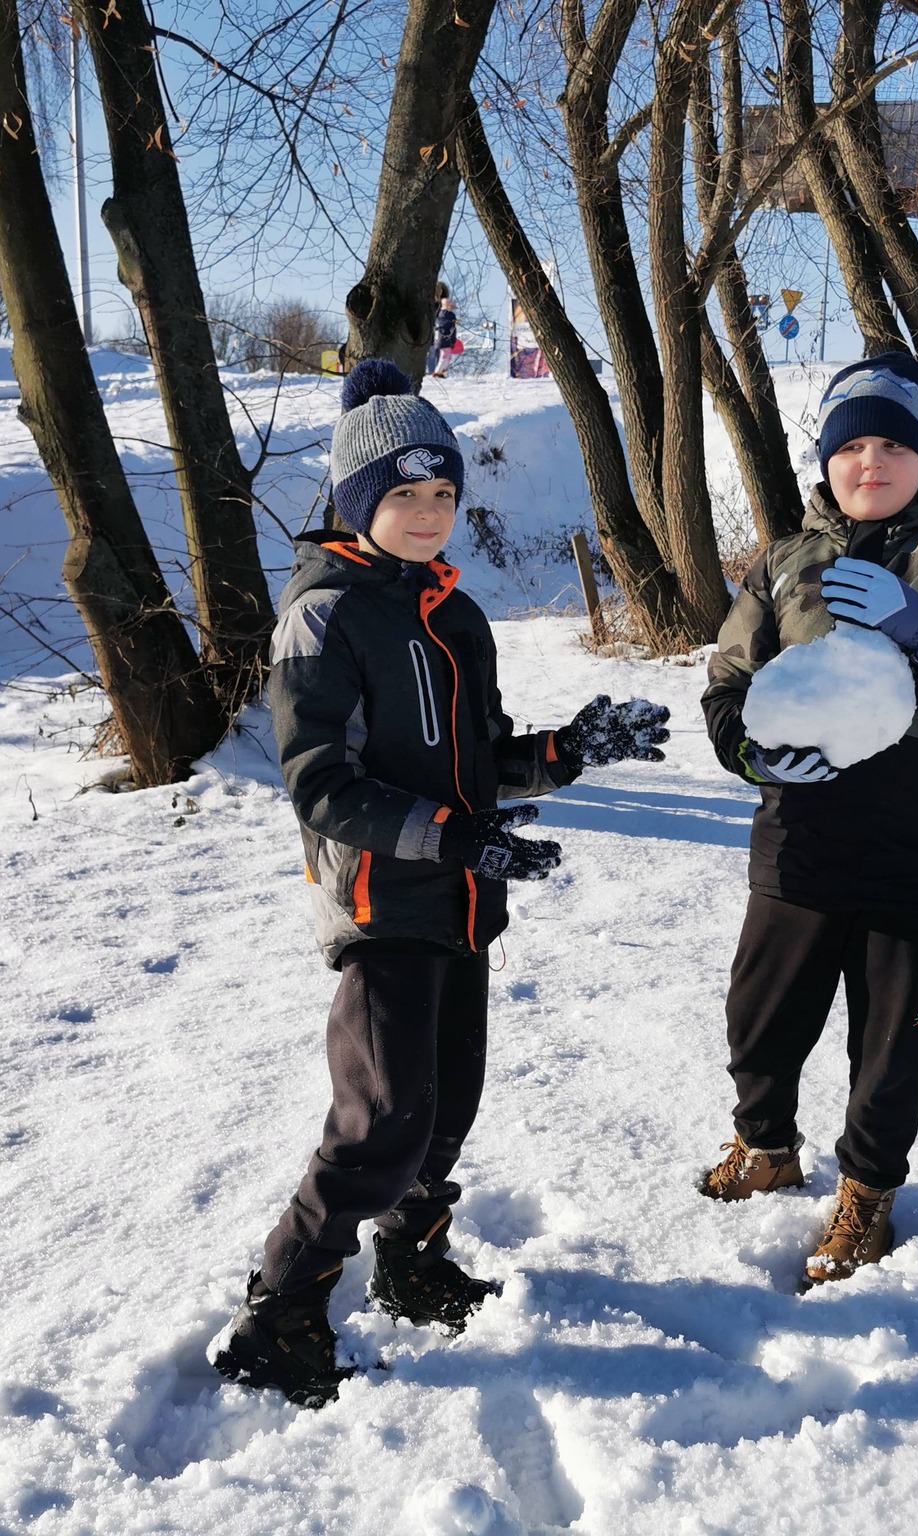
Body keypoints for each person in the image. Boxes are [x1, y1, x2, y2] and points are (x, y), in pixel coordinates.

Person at [210, 359, 671, 1406]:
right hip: (379, 902)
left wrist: (562, 753)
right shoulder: (325, 616)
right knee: (378, 1123)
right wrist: (456, 843)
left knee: (445, 1105)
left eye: (442, 495)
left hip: (458, 902)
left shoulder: (450, 615)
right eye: (403, 497)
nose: (427, 515)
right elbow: (319, 785)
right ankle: (276, 1316)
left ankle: (412, 1263)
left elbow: (477, 758)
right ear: (357, 501)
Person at [698, 353, 918, 1289]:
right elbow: (729, 684)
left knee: (893, 1044)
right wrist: (750, 750)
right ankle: (766, 1144)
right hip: (802, 845)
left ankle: (866, 1192)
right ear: (823, 462)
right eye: (848, 444)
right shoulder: (782, 565)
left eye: (890, 443)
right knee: (761, 1017)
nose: (868, 461)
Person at [430, 294, 462, 378]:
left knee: (447, 356)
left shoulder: (443, 315)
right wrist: (453, 323)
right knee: (445, 356)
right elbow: (445, 326)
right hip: (444, 339)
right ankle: (438, 372)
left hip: (445, 339)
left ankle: (442, 372)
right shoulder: (445, 315)